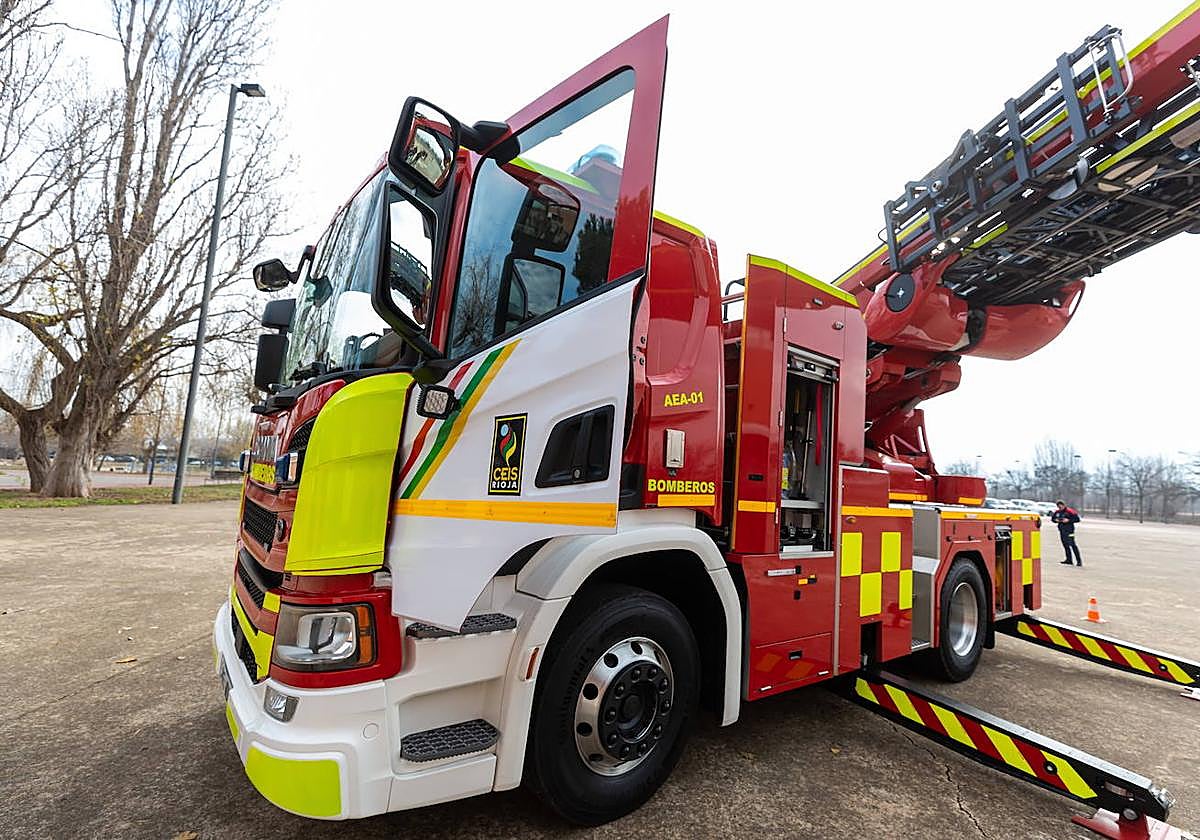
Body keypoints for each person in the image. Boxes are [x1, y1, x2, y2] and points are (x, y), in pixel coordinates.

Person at [1051, 500, 1083, 566]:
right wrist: (1056, 520)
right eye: (1058, 507)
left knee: (1073, 545)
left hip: (1070, 531)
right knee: (1065, 545)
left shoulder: (1070, 511)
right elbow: (1053, 519)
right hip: (1062, 530)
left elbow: (1077, 519)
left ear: (1063, 505)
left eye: (1061, 506)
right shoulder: (1057, 512)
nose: (1060, 508)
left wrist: (1068, 520)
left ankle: (1079, 561)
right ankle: (1069, 560)